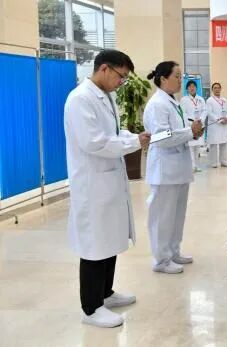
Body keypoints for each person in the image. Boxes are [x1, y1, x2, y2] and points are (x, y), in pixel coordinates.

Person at [64, 50, 151, 328]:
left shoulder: (106, 96)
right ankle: (91, 308)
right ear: (104, 69)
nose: (121, 82)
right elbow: (94, 142)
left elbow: (112, 134)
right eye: (120, 76)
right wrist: (133, 143)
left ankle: (105, 293)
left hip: (109, 181)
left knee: (109, 239)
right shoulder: (80, 99)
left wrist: (134, 136)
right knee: (94, 245)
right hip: (92, 185)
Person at [143, 61, 204, 274]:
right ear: (163, 79)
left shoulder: (173, 102)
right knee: (163, 216)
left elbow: (178, 131)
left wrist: (193, 131)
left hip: (178, 168)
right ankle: (161, 259)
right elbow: (161, 137)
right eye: (176, 76)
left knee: (177, 215)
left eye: (181, 76)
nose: (180, 80)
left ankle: (173, 251)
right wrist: (189, 132)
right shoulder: (157, 104)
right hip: (165, 170)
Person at [180, 80, 207, 172]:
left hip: (199, 124)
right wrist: (191, 123)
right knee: (191, 147)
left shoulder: (201, 99)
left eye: (193, 86)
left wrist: (201, 120)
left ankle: (196, 166)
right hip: (190, 125)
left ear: (196, 88)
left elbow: (205, 111)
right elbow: (183, 113)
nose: (192, 88)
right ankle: (191, 166)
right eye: (190, 86)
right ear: (187, 89)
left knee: (197, 147)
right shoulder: (184, 100)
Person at [206, 82, 227, 168]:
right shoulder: (209, 100)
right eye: (215, 88)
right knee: (213, 144)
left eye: (218, 88)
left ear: (220, 89)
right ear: (212, 90)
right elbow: (209, 113)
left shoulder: (224, 100)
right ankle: (213, 162)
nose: (217, 89)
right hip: (215, 125)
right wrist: (220, 120)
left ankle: (224, 161)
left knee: (224, 143)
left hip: (224, 124)